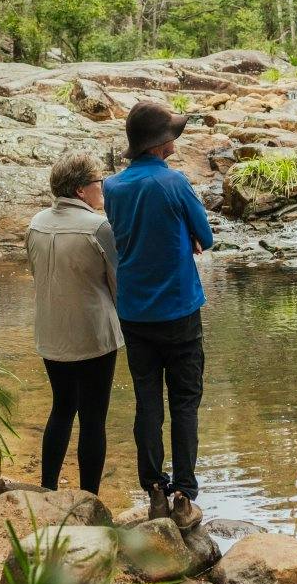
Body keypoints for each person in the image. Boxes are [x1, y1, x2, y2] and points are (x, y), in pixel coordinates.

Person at [103, 100, 213, 528]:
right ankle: (184, 494)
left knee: (147, 402)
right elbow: (206, 237)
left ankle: (153, 489)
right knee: (184, 402)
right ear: (160, 142)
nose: (175, 140)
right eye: (171, 134)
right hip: (179, 309)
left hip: (134, 311)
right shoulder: (175, 181)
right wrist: (188, 237)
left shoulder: (112, 187)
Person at [26, 152, 123, 495]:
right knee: (93, 418)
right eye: (99, 181)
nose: (103, 188)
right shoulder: (99, 227)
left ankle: (47, 489)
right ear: (81, 190)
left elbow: (37, 273)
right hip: (94, 336)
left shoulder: (36, 223)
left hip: (51, 334)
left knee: (62, 407)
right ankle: (89, 498)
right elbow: (118, 284)